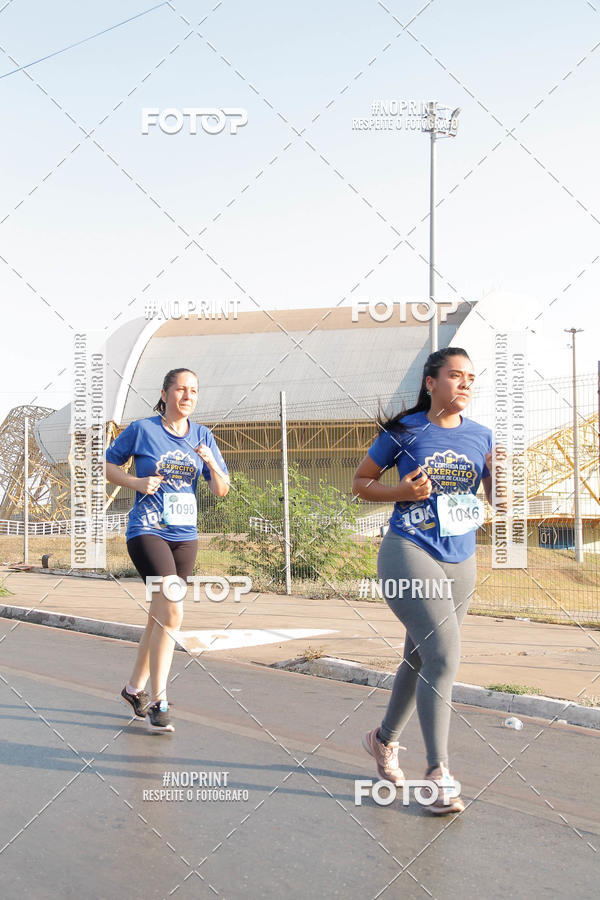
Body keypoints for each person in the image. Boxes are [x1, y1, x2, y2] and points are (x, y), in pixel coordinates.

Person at [352, 348, 493, 814]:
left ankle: (383, 739)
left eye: (470, 377)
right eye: (455, 375)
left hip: (461, 558)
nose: (465, 383)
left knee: (420, 658)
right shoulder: (405, 431)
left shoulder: (482, 436)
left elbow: (499, 499)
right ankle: (438, 774)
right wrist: (402, 491)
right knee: (444, 656)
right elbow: (361, 483)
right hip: (409, 550)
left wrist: (502, 479)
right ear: (431, 382)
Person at [105, 368, 230, 733]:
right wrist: (136, 481)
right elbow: (107, 465)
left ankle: (133, 690)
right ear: (165, 393)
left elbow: (221, 489)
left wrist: (210, 462)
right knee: (173, 611)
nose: (188, 396)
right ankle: (159, 701)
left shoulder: (203, 435)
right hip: (147, 530)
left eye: (194, 390)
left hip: (185, 536)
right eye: (181, 389)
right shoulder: (142, 430)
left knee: (159, 617)